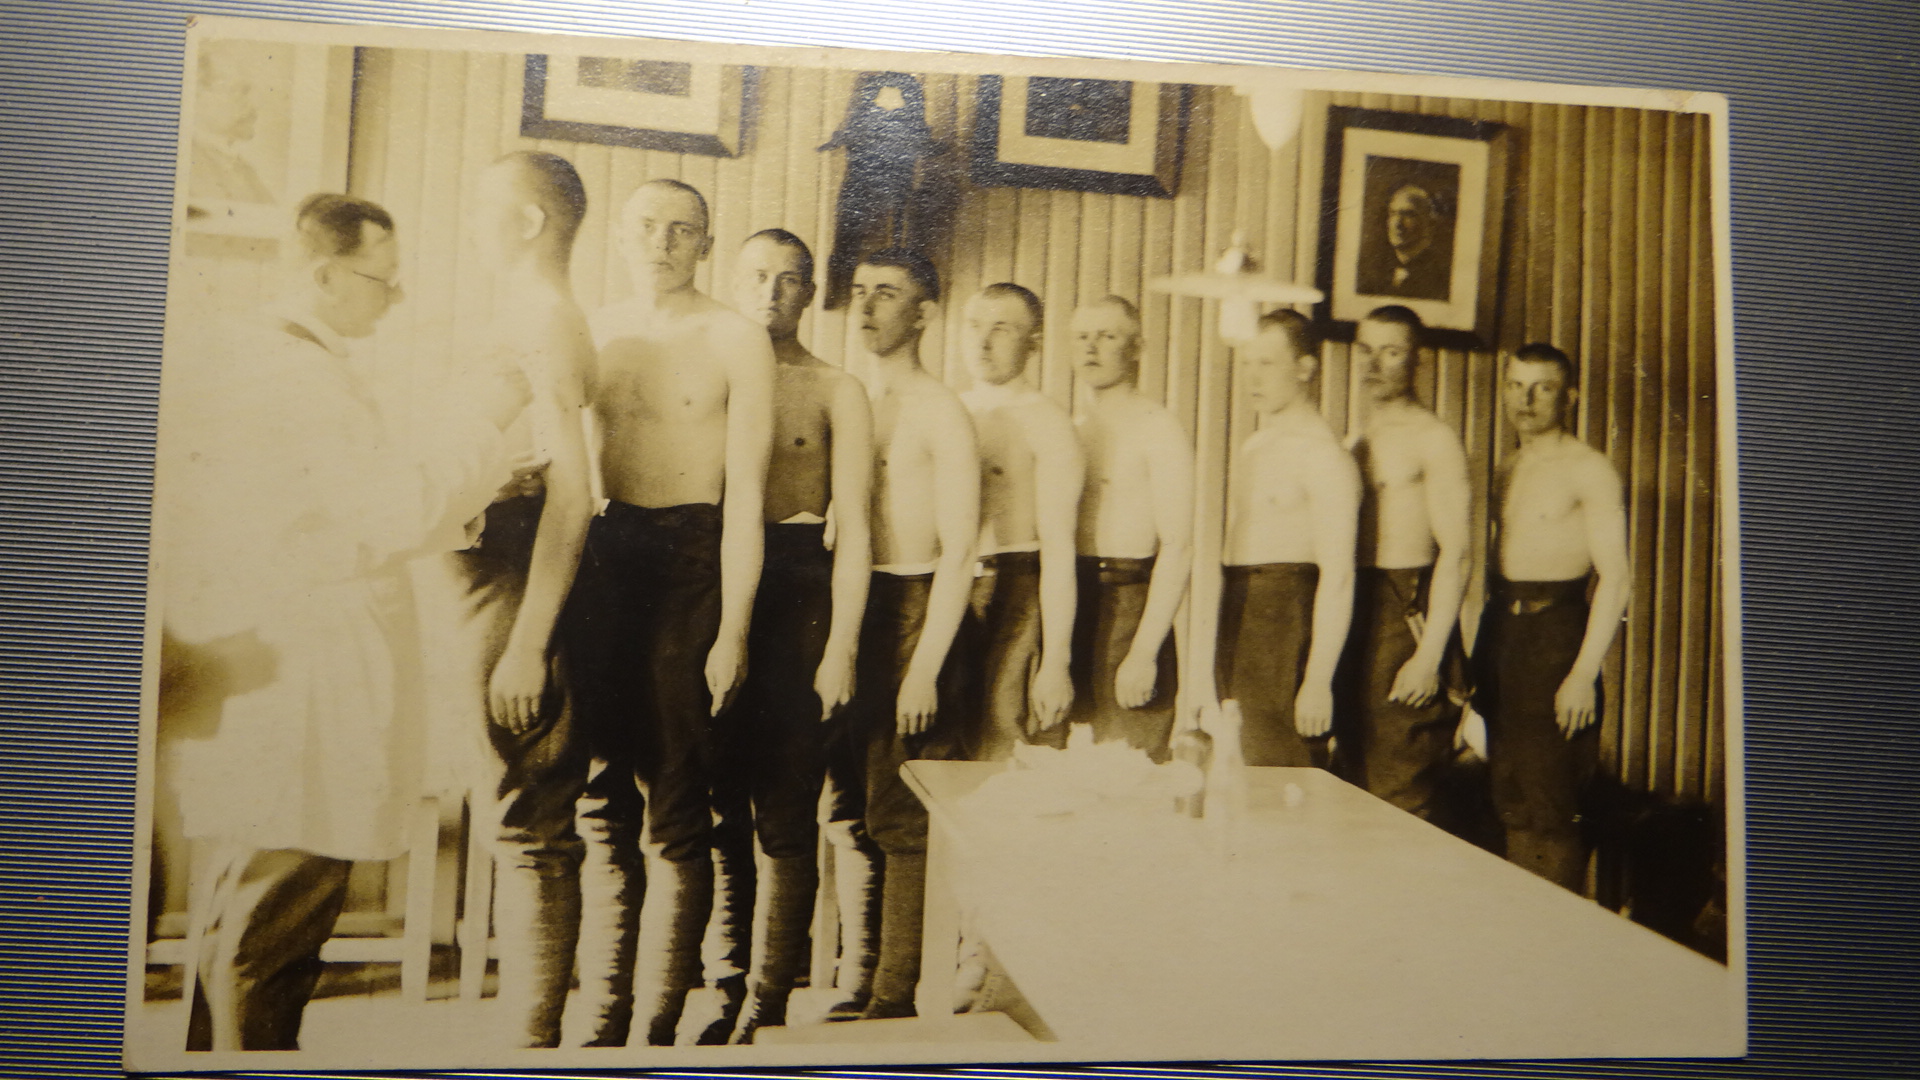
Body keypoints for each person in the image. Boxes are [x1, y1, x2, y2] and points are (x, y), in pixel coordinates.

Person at [161, 193, 518, 1050]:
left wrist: (463, 497)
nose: (395, 298)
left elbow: (363, 502)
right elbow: (393, 508)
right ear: (324, 275)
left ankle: (213, 1060)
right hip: (309, 661)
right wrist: (488, 418)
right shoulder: (297, 375)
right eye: (382, 280)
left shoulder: (271, 358)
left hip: (283, 647)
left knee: (245, 900)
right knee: (279, 910)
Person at [564, 178, 775, 1046]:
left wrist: (733, 631)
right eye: (648, 226)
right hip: (606, 560)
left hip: (694, 561)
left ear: (706, 245)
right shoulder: (597, 329)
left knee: (678, 800)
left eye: (682, 230)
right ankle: (603, 1015)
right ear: (620, 236)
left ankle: (656, 1024)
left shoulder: (736, 338)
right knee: (600, 797)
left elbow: (748, 495)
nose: (663, 242)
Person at [407, 152, 595, 1048]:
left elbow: (575, 493)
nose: (472, 226)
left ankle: (530, 1047)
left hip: (509, 585)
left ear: (527, 222)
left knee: (528, 820)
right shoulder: (525, 312)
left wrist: (528, 643)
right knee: (504, 807)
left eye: (486, 209)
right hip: (469, 577)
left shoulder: (548, 317)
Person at [700, 229, 874, 1043]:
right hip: (710, 586)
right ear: (732, 280)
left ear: (811, 293)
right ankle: (723, 983)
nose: (771, 292)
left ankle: (767, 999)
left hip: (800, 593)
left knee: (786, 799)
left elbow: (858, 529)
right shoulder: (706, 373)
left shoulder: (836, 388)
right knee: (715, 798)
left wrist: (841, 647)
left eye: (790, 279)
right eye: (757, 275)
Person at [836, 248, 979, 1021]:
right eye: (860, 291)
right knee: (852, 808)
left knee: (901, 813)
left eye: (886, 294)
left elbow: (959, 550)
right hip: (856, 609)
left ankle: (894, 996)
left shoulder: (939, 409)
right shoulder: (855, 397)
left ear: (923, 315)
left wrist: (925, 667)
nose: (866, 307)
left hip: (920, 607)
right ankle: (859, 980)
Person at [1476, 342, 1629, 892]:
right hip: (1503, 635)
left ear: (1570, 397)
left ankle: (1557, 927)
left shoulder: (1590, 469)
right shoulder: (1507, 467)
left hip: (1557, 637)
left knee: (1553, 800)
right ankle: (1522, 923)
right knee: (1509, 794)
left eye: (1542, 388)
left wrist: (1583, 673)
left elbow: (1616, 578)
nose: (1526, 399)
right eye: (1516, 386)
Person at [1334, 306, 1471, 823]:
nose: (1374, 364)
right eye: (1365, 350)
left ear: (1419, 361)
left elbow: (1457, 554)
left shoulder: (1434, 438)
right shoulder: (1355, 439)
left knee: (1400, 786)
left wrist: (1430, 656)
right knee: (1351, 778)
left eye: (1390, 352)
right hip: (1356, 611)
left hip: (1405, 613)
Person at [1216, 311, 1360, 767]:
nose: (1253, 377)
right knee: (1241, 760)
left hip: (1287, 620)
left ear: (1305, 368)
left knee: (1284, 765)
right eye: (1247, 363)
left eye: (1267, 363)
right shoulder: (1255, 446)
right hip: (1240, 612)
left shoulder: (1324, 455)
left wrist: (1317, 679)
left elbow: (1339, 576)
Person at [957, 283, 1084, 760]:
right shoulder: (950, 409)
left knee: (1001, 738)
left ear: (1034, 342)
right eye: (974, 326)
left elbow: (1059, 547)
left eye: (1002, 329)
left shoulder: (1048, 422)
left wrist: (1055, 659)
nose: (983, 341)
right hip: (946, 587)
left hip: (1015, 590)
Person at [1065, 296, 1192, 761]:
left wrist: (1143, 652)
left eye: (1108, 336)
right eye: (1082, 337)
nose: (1092, 347)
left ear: (1137, 348)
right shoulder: (1070, 428)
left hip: (1130, 602)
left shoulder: (1158, 427)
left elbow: (1178, 546)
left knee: (1128, 763)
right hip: (1071, 600)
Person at [1357, 183, 1450, 301]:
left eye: (1408, 214)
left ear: (1430, 224)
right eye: (1393, 213)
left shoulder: (1444, 278)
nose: (1397, 223)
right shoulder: (1371, 272)